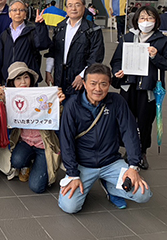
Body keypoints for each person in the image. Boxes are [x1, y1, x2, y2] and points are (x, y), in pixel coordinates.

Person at [58, 64, 152, 213]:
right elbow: (66, 140)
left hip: (111, 162)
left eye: (103, 84)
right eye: (93, 83)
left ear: (109, 84)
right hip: (83, 165)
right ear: (84, 84)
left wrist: (133, 166)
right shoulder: (72, 105)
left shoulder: (117, 101)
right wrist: (72, 173)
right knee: (70, 206)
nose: (98, 89)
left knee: (143, 194)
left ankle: (111, 187)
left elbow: (130, 132)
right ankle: (85, 186)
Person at [111, 6, 167, 169]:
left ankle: (142, 151)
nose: (146, 22)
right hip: (128, 86)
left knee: (145, 122)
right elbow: (116, 60)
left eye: (150, 18)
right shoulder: (127, 38)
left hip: (149, 88)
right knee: (126, 119)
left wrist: (155, 56)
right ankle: (127, 150)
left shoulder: (163, 41)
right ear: (136, 20)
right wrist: (117, 71)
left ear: (156, 21)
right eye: (142, 18)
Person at [0, 62, 64, 193]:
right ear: (12, 82)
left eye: (26, 77)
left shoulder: (43, 95)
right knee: (16, 161)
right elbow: (1, 118)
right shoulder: (11, 98)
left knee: (37, 187)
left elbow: (57, 117)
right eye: (18, 78)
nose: (23, 82)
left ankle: (40, 164)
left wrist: (59, 103)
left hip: (43, 145)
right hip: (25, 142)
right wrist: (0, 99)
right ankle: (26, 164)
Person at [45, 0, 105, 97]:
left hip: (79, 79)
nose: (73, 8)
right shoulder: (60, 27)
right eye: (70, 5)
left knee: (79, 109)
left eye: (77, 5)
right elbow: (53, 51)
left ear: (84, 7)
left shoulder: (93, 30)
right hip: (60, 76)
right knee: (60, 107)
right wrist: (48, 71)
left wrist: (83, 76)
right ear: (66, 8)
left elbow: (96, 57)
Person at [0, 0, 50, 85]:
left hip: (28, 80)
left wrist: (40, 26)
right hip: (10, 79)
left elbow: (43, 45)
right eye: (14, 10)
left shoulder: (32, 31)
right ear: (10, 14)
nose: (18, 13)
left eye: (21, 10)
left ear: (25, 14)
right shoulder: (5, 35)